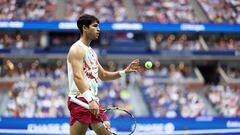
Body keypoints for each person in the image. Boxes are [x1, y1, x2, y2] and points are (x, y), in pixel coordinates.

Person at [67, 14, 143, 135]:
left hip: (92, 100)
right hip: (80, 101)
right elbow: (77, 76)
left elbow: (103, 75)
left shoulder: (91, 52)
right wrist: (90, 99)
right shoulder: (77, 49)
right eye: (95, 26)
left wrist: (124, 72)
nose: (99, 29)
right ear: (85, 28)